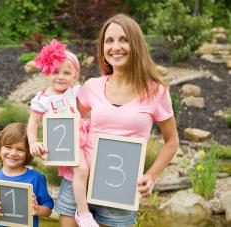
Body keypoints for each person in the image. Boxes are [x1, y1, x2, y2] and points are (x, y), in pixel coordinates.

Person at [55, 14, 179, 227]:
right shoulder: (91, 86)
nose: (115, 47)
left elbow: (172, 141)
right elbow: (66, 117)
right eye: (109, 41)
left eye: (124, 39)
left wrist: (151, 176)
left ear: (136, 44)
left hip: (119, 190)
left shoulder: (156, 92)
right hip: (78, 184)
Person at [27, 39, 99, 227]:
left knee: (87, 169)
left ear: (75, 76)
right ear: (47, 73)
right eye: (55, 72)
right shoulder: (43, 99)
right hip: (60, 143)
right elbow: (33, 123)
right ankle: (83, 212)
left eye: (66, 73)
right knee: (81, 169)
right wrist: (34, 142)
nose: (60, 76)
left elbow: (93, 101)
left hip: (78, 139)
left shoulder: (74, 92)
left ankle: (85, 208)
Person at [0, 122, 54, 227]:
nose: (13, 153)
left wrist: (38, 210)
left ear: (28, 153)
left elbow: (48, 210)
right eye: (8, 147)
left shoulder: (36, 178)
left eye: (20, 149)